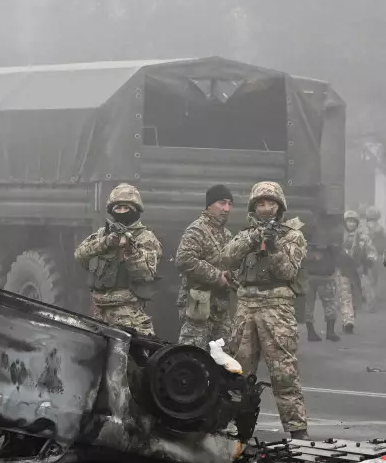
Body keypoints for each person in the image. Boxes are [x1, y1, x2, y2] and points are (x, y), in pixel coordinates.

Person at [221, 181, 310, 439]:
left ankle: (297, 431)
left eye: (271, 203)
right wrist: (253, 238)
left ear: (279, 206)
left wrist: (273, 246)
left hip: (277, 306)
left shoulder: (293, 236)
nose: (266, 208)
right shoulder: (246, 234)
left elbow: (287, 271)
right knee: (238, 371)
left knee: (284, 372)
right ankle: (236, 428)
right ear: (253, 206)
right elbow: (226, 258)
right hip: (246, 306)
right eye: (261, 203)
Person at [74, 183, 162, 335]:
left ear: (135, 209)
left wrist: (130, 252)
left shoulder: (146, 238)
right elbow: (80, 255)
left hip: (128, 314)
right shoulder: (103, 234)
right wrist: (106, 243)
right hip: (98, 312)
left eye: (126, 208)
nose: (121, 212)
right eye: (117, 208)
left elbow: (145, 274)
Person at [175, 184, 234, 351]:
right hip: (198, 303)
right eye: (222, 203)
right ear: (209, 205)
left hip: (220, 307)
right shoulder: (197, 230)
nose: (226, 208)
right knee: (193, 354)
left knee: (223, 357)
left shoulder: (226, 234)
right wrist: (216, 276)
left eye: (230, 204)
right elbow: (184, 259)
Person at [337, 210, 376, 333]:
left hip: (358, 271)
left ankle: (350, 317)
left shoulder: (362, 237)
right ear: (345, 222)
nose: (351, 224)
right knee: (345, 296)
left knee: (355, 299)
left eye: (354, 221)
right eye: (349, 221)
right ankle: (348, 321)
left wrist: (370, 259)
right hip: (343, 270)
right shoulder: (339, 236)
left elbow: (371, 250)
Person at [304, 223, 340, 342]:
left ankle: (315, 332)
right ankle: (328, 332)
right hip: (320, 276)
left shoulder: (306, 232)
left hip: (314, 276)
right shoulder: (331, 233)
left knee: (310, 306)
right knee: (328, 304)